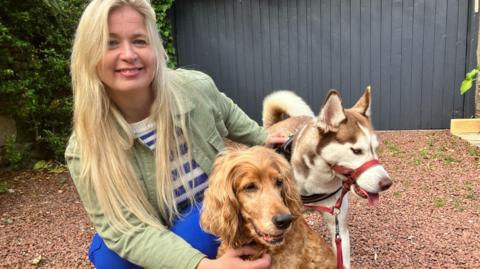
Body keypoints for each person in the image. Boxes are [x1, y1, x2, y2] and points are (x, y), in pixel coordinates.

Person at [65, 0, 286, 268]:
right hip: (146, 223)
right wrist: (205, 267)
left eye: (139, 40)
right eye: (111, 43)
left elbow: (228, 113)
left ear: (154, 48)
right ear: (89, 53)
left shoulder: (194, 88)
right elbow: (125, 231)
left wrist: (263, 138)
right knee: (109, 259)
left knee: (203, 231)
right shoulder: (83, 148)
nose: (129, 54)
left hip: (199, 207)